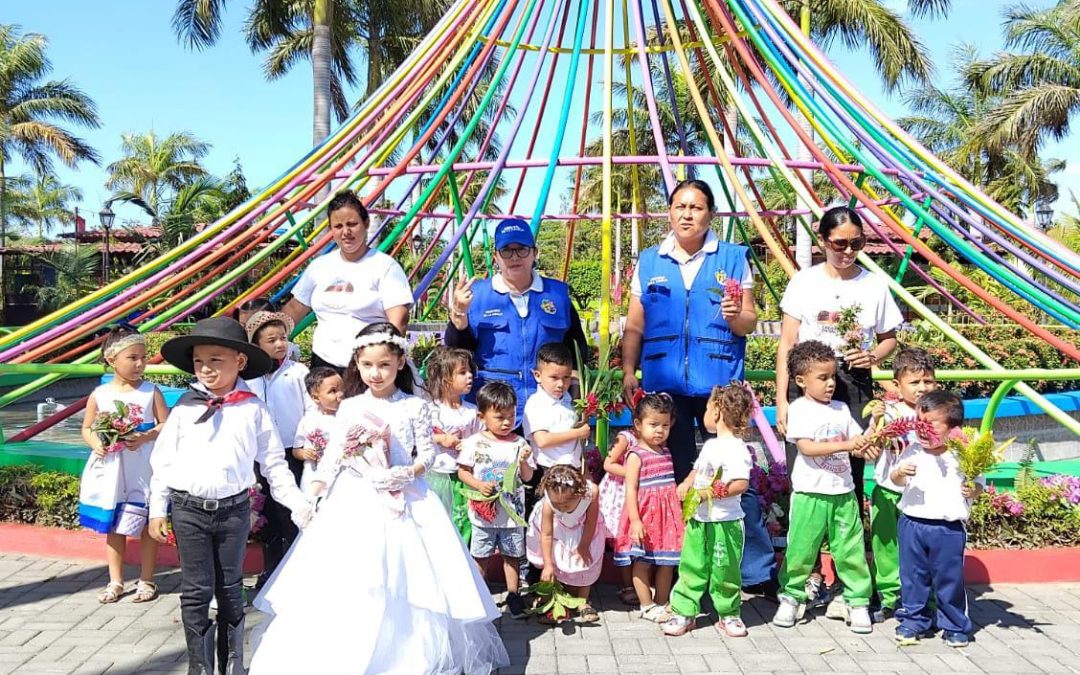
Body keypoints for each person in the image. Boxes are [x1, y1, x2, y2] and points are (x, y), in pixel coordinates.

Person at [249, 323, 508, 674]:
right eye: (368, 365)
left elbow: (427, 454)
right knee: (355, 578)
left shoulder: (415, 406)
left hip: (407, 496)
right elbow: (333, 457)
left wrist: (406, 473)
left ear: (400, 363)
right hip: (357, 496)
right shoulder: (351, 407)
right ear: (357, 363)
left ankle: (406, 653)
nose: (376, 373)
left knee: (411, 579)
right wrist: (311, 495)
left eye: (384, 364)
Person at [147, 317, 313, 674]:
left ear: (239, 361)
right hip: (189, 509)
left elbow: (274, 465)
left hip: (233, 511)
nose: (206, 369)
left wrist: (301, 506)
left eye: (216, 359)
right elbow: (163, 461)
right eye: (199, 361)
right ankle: (200, 665)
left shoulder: (252, 408)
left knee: (230, 589)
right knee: (195, 591)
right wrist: (157, 510)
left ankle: (234, 663)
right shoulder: (185, 408)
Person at [620, 179, 758, 483]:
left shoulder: (733, 258)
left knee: (728, 468)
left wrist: (735, 316)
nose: (687, 215)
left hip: (719, 383)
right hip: (664, 385)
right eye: (680, 207)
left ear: (711, 214)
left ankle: (734, 530)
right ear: (669, 212)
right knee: (673, 469)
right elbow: (634, 326)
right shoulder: (649, 260)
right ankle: (681, 531)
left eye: (696, 208)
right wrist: (629, 371)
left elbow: (750, 320)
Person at [775, 205, 903, 515]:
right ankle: (807, 557)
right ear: (823, 241)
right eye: (839, 243)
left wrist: (871, 355)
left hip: (853, 380)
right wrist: (782, 399)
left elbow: (890, 339)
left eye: (856, 243)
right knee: (803, 468)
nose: (848, 251)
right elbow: (787, 343)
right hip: (806, 381)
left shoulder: (873, 284)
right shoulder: (804, 282)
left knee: (854, 465)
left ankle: (851, 552)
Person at [773, 340, 875, 634]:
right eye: (823, 378)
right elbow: (807, 448)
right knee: (801, 550)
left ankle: (856, 601)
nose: (831, 383)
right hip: (809, 495)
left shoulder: (842, 409)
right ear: (801, 380)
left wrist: (875, 427)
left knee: (850, 550)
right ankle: (792, 596)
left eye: (832, 376)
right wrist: (848, 444)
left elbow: (859, 442)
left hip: (842, 494)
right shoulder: (799, 410)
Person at [444, 218, 588, 424]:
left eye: (521, 249)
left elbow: (575, 345)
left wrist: (575, 384)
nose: (514, 257)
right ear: (496, 257)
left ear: (534, 253)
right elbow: (456, 351)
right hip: (494, 408)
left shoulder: (558, 294)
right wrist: (458, 314)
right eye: (506, 251)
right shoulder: (476, 296)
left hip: (548, 408)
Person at [77, 327, 168, 604]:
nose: (140, 364)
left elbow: (166, 423)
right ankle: (115, 580)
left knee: (145, 522)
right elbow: (87, 427)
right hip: (112, 466)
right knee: (114, 524)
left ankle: (147, 579)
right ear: (112, 359)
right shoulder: (100, 394)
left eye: (143, 357)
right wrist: (96, 442)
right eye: (133, 357)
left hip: (142, 465)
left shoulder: (151, 392)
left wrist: (146, 435)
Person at [283, 190, 414, 372]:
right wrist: (265, 337)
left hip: (369, 369)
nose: (346, 232)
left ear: (366, 223)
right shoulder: (319, 267)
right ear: (331, 229)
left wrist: (382, 365)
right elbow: (294, 310)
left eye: (352, 224)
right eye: (338, 226)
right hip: (324, 368)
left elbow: (399, 321)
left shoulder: (385, 267)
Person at [890, 390, 982, 648]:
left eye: (929, 424)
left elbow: (979, 484)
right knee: (912, 576)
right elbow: (896, 483)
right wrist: (899, 473)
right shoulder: (912, 451)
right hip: (912, 523)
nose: (921, 429)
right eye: (918, 423)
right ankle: (912, 619)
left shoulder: (963, 454)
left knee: (949, 578)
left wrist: (972, 488)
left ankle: (954, 625)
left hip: (948, 528)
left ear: (954, 428)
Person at [663, 384, 754, 638]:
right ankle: (684, 610)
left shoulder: (737, 449)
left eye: (706, 408)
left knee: (725, 568)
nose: (704, 413)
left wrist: (708, 493)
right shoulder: (711, 445)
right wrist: (687, 483)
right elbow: (699, 469)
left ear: (716, 412)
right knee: (692, 565)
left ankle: (728, 612)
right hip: (699, 519)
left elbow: (740, 483)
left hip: (725, 522)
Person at [865, 347, 937, 622]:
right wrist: (876, 427)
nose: (922, 388)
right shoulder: (888, 412)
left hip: (924, 496)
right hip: (888, 491)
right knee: (887, 547)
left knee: (923, 550)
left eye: (928, 381)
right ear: (897, 385)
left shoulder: (938, 413)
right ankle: (889, 596)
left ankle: (925, 598)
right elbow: (872, 442)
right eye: (914, 382)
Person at [244, 310, 314, 586]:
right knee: (265, 515)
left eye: (283, 338)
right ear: (257, 346)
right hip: (259, 455)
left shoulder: (298, 373)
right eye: (271, 340)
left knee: (291, 512)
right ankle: (270, 570)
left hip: (291, 453)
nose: (279, 344)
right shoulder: (248, 377)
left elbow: (311, 410)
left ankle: (295, 571)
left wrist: (305, 444)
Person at [457, 382, 536, 620]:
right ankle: (479, 595)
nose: (506, 422)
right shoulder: (473, 443)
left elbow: (528, 476)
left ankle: (513, 594)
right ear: (482, 416)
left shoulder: (520, 443)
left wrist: (523, 461)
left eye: (511, 416)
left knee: (512, 555)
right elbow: (463, 471)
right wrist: (479, 485)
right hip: (484, 513)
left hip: (512, 513)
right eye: (499, 417)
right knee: (481, 554)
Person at [613, 393, 685, 623]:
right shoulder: (635, 455)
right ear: (638, 424)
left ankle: (662, 603)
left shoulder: (666, 452)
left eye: (665, 425)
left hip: (667, 519)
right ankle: (646, 605)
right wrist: (635, 520)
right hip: (645, 517)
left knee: (667, 563)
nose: (659, 430)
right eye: (653, 424)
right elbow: (631, 489)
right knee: (642, 562)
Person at [526, 464, 607, 624]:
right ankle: (553, 602)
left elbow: (591, 521)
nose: (561, 508)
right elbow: (547, 534)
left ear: (578, 494)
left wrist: (583, 546)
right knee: (554, 564)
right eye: (557, 505)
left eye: (565, 505)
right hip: (557, 532)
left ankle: (583, 601)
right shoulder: (548, 505)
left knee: (587, 563)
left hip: (584, 530)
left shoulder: (591, 493)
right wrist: (547, 564)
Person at [427, 346, 482, 542]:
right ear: (445, 378)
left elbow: (481, 439)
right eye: (462, 372)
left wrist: (467, 444)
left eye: (469, 371)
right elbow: (420, 437)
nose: (470, 376)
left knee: (462, 522)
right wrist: (440, 439)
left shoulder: (472, 411)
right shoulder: (430, 410)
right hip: (437, 475)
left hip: (462, 476)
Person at [523, 343, 592, 490]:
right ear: (537, 375)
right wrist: (577, 433)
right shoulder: (536, 404)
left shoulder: (567, 399)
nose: (561, 384)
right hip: (548, 470)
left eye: (566, 378)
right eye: (554, 377)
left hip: (573, 468)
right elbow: (542, 440)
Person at [598, 426, 639, 606]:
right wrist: (633, 474)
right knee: (623, 540)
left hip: (643, 495)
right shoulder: (626, 438)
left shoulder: (660, 439)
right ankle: (627, 585)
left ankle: (641, 583)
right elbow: (608, 464)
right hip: (620, 495)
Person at [292, 367, 344, 492]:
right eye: (333, 391)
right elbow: (296, 450)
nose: (340, 395)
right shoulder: (308, 421)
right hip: (315, 476)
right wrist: (304, 453)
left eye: (343, 389)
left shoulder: (349, 416)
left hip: (344, 475)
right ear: (316, 397)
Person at [232, 297, 301, 362]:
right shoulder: (235, 351)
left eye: (254, 324)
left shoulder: (286, 352)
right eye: (243, 325)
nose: (248, 330)